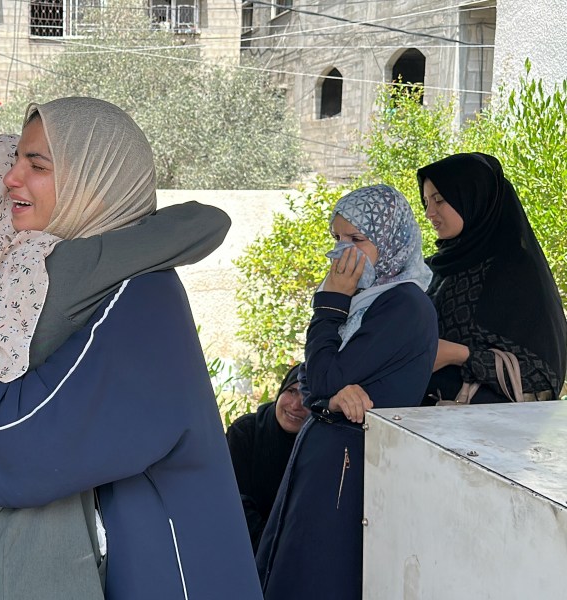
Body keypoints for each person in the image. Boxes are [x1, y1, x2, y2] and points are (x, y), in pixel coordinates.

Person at [0, 97, 262, 599]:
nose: (11, 178)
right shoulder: (43, 279)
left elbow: (34, 434)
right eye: (16, 160)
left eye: (36, 165)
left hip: (161, 562)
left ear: (94, 183)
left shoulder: (142, 297)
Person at [255, 184, 438, 600]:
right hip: (326, 462)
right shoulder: (365, 301)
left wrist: (329, 305)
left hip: (350, 471)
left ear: (391, 242)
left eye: (356, 240)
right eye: (337, 239)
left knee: (322, 579)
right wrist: (328, 397)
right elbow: (310, 379)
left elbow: (320, 377)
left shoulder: (403, 305)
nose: (341, 253)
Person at [418, 152, 567, 404]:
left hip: (486, 433)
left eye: (440, 200)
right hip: (418, 422)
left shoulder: (515, 270)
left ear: (473, 197)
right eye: (425, 202)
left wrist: (461, 355)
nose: (429, 213)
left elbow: (542, 376)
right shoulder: (434, 268)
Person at [226, 363, 309, 550]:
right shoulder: (246, 432)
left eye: (308, 396)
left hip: (290, 553)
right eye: (292, 391)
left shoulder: (317, 446)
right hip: (238, 545)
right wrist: (269, 550)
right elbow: (233, 500)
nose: (296, 405)